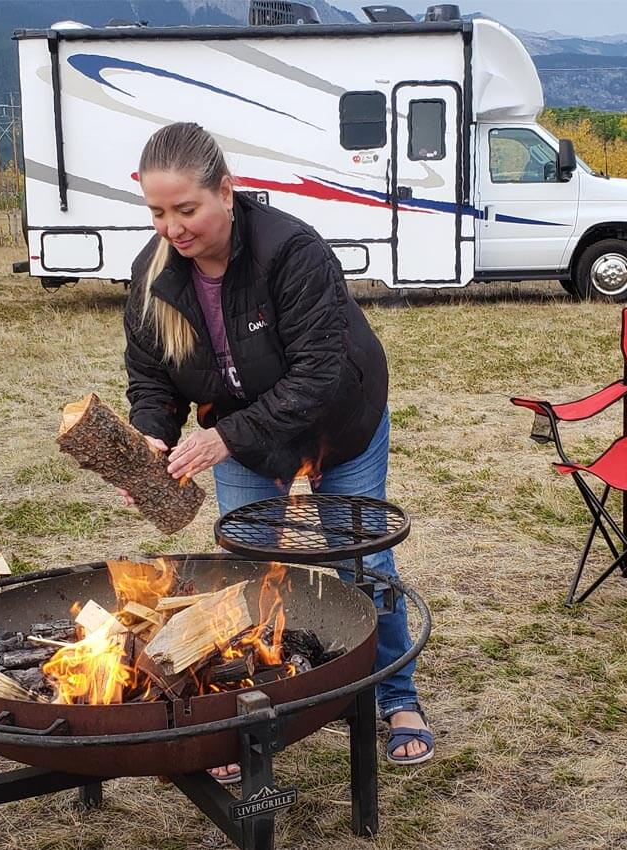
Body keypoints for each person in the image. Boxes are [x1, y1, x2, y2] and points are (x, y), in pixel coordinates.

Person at [119, 122, 433, 776]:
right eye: (157, 212)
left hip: (340, 424)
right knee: (247, 570)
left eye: (186, 209)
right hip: (244, 440)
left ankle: (397, 700)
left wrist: (221, 437)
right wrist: (152, 436)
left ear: (226, 192)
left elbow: (320, 374)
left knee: (363, 562)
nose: (173, 228)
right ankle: (243, 707)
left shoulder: (292, 252)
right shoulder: (152, 277)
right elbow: (153, 378)